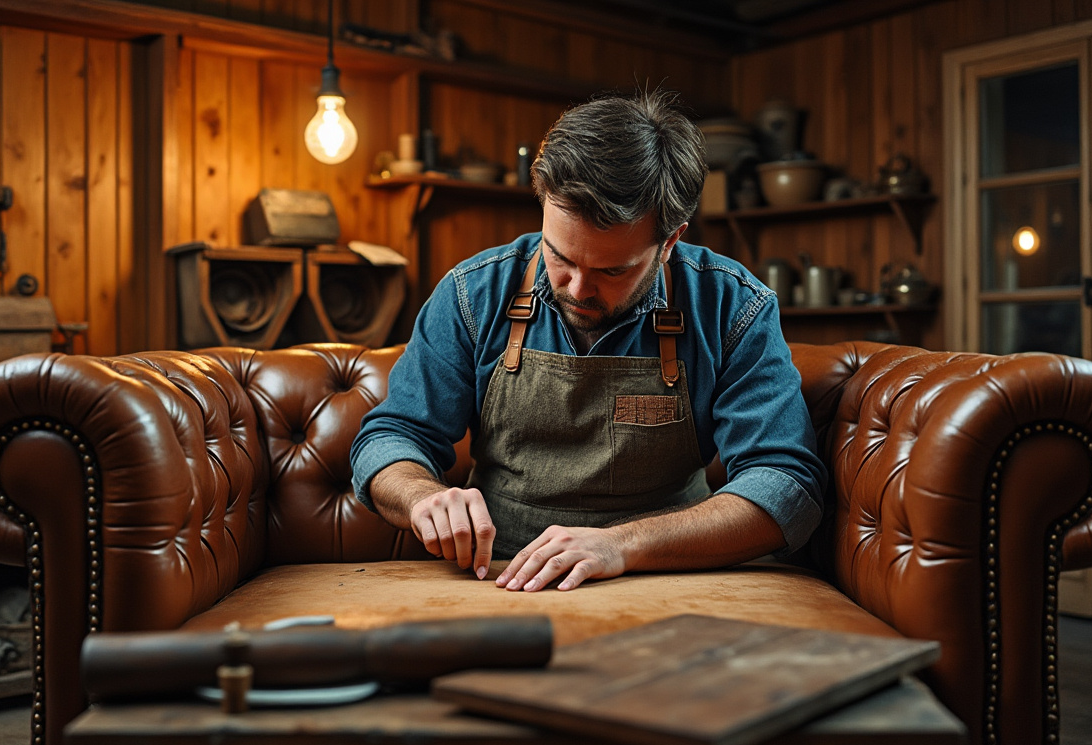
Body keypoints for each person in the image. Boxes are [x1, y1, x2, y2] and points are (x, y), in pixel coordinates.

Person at [350, 89, 827, 594]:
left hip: (667, 579)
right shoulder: (474, 294)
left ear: (669, 242)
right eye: (560, 256)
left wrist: (621, 545)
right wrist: (423, 494)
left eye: (612, 269)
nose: (577, 289)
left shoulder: (732, 306)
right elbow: (389, 438)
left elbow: (785, 483)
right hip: (499, 579)